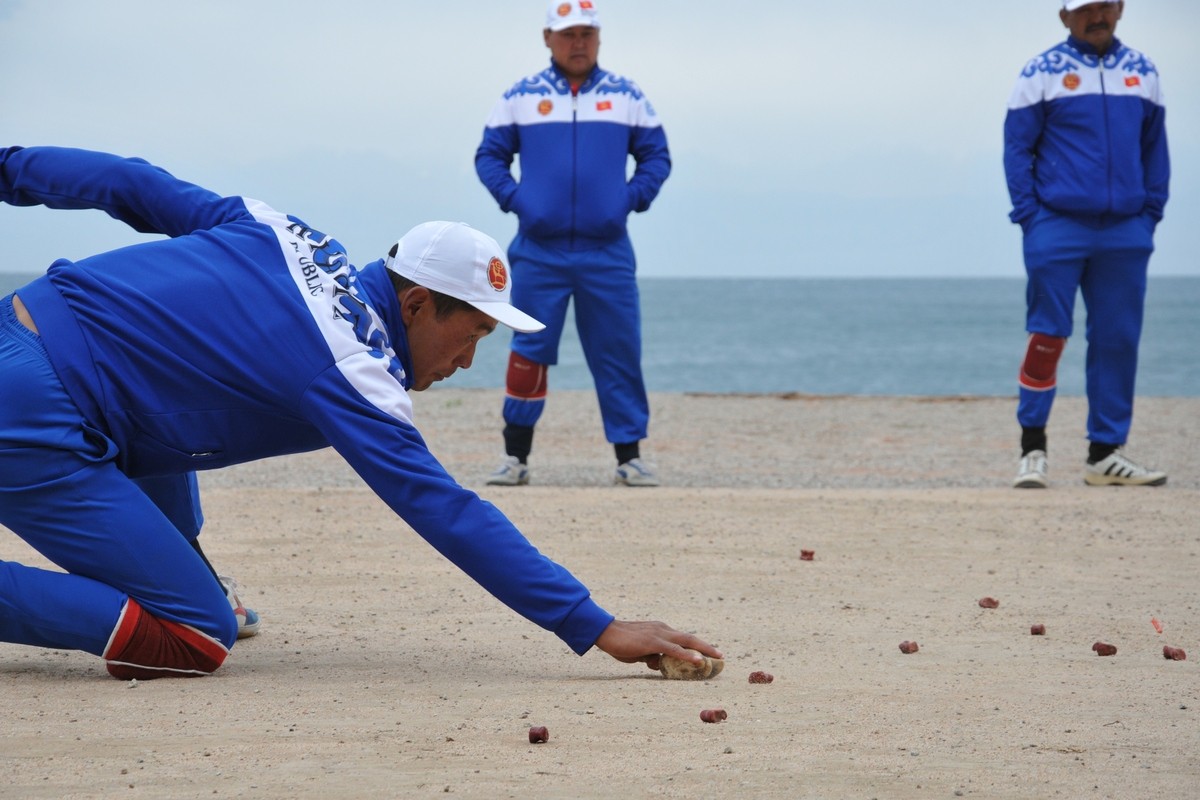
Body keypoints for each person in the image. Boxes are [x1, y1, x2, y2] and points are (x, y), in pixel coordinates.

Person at [0, 145, 721, 680]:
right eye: (471, 334)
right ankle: (191, 591)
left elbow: (131, 183)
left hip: (21, 330)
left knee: (161, 451)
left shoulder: (283, 232)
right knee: (195, 634)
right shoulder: (352, 366)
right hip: (33, 413)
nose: (469, 361)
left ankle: (190, 568)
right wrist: (594, 625)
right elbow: (444, 507)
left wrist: (9, 167)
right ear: (417, 304)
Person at [475, 0, 670, 488]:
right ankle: (515, 457)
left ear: (599, 38)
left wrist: (629, 200)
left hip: (608, 251)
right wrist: (519, 201)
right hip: (538, 251)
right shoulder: (521, 96)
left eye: (586, 33)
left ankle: (630, 457)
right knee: (528, 348)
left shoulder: (627, 95)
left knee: (618, 352)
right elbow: (489, 156)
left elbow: (656, 156)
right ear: (548, 38)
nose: (578, 42)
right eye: (567, 34)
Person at [1003, 0, 1169, 489]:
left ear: (1120, 9)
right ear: (1065, 16)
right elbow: (1017, 147)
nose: (1098, 16)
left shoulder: (1143, 71)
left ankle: (1105, 453)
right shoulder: (1041, 72)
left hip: (1125, 230)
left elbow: (1155, 148)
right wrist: (1031, 218)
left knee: (1117, 339)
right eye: (1086, 9)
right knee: (1047, 335)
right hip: (1056, 225)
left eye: (1106, 6)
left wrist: (1149, 215)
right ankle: (1032, 449)